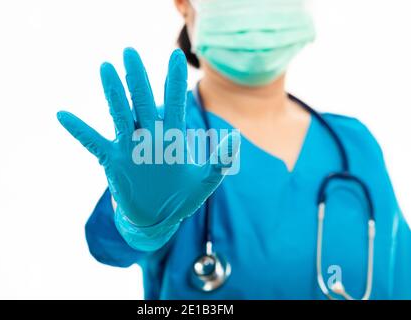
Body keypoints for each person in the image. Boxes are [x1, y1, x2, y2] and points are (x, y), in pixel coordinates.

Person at [57, 0, 411, 299]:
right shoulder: (163, 140)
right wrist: (139, 224)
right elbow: (109, 244)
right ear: (183, 4)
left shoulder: (355, 145)